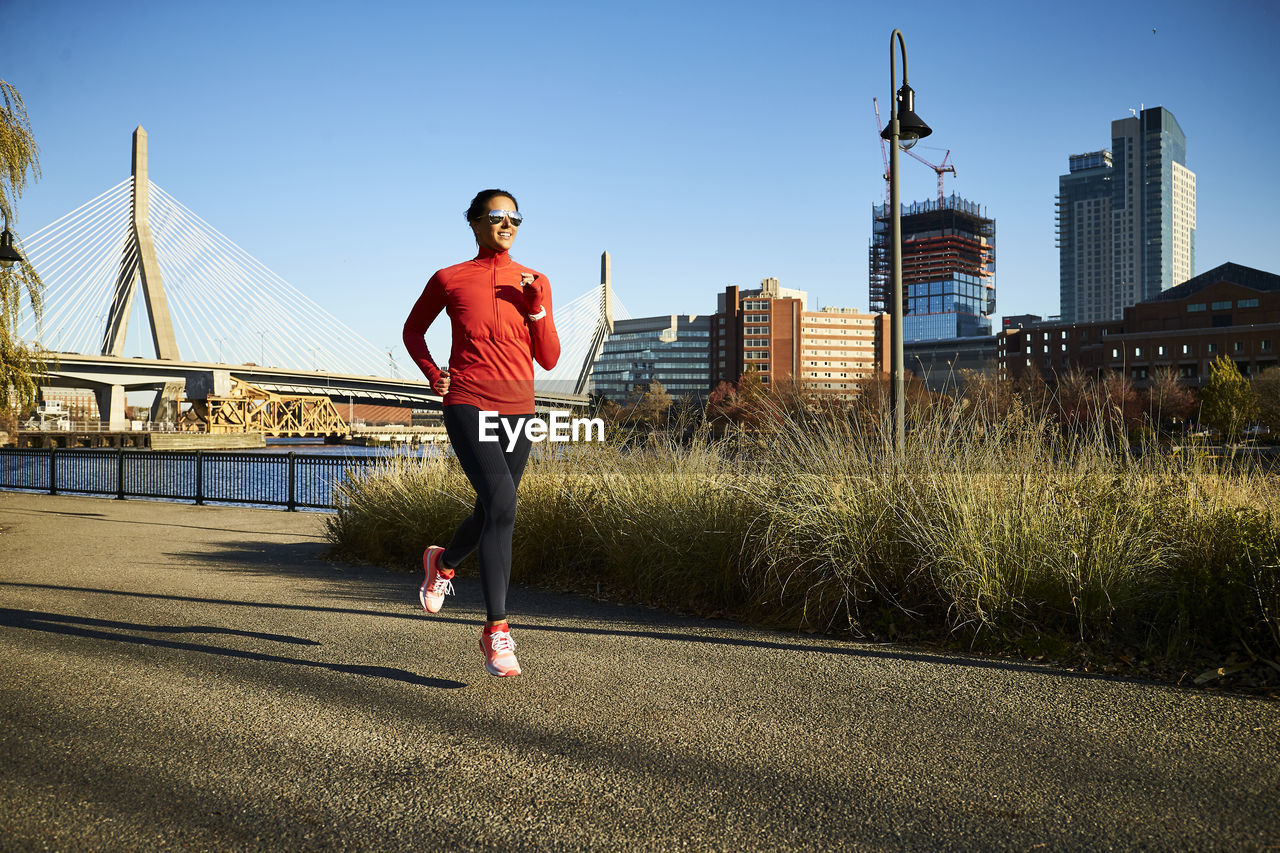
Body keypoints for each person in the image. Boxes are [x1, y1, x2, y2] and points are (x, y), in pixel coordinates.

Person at [402, 189, 560, 677]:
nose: (507, 223)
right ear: (473, 222)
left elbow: (550, 358)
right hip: (468, 400)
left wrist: (535, 308)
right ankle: (496, 631)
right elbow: (413, 331)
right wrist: (433, 373)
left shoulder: (536, 281)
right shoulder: (449, 279)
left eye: (515, 217)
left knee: (492, 507)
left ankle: (442, 562)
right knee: (504, 505)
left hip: (519, 409)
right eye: (496, 216)